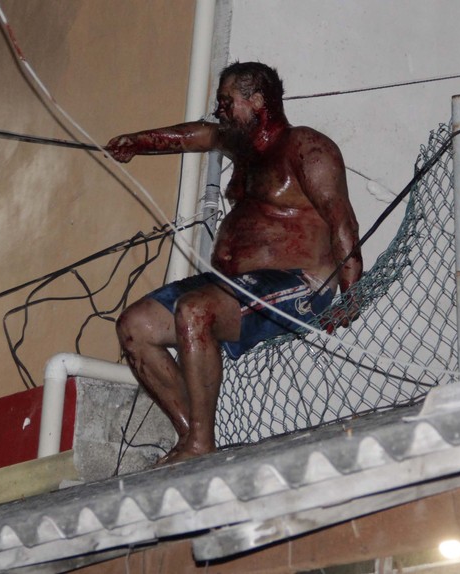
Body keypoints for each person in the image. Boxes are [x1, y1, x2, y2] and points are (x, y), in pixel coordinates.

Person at [107, 62, 362, 464]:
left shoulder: (305, 147)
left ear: (257, 101)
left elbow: (340, 217)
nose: (220, 110)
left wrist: (352, 291)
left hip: (296, 283)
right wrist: (138, 142)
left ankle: (199, 446)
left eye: (227, 102)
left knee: (195, 312)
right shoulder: (241, 148)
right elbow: (198, 133)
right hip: (234, 286)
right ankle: (192, 435)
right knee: (134, 326)